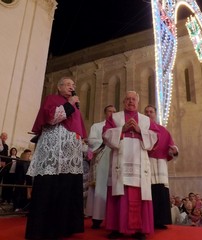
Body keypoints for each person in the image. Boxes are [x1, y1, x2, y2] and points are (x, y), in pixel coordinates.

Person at [25, 76, 87, 240]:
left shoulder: (75, 107)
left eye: (73, 85)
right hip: (53, 151)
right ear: (59, 87)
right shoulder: (52, 99)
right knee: (49, 186)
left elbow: (79, 130)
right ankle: (42, 229)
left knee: (67, 186)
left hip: (69, 155)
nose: (71, 87)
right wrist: (71, 103)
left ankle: (64, 227)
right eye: (67, 84)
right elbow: (52, 118)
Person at [102, 91, 158, 240]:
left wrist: (140, 130)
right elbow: (106, 134)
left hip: (139, 159)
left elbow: (155, 137)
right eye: (127, 99)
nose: (130, 101)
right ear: (123, 101)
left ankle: (139, 229)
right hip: (120, 159)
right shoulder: (114, 117)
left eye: (133, 99)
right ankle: (116, 227)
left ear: (138, 102)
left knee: (139, 194)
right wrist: (122, 129)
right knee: (118, 191)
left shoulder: (146, 120)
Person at [144, 105, 178, 229]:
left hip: (161, 165)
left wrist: (173, 151)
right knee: (149, 191)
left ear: (155, 114)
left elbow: (171, 147)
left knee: (162, 191)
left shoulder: (163, 130)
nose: (148, 114)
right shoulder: (141, 129)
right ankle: (149, 219)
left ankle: (161, 220)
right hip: (147, 162)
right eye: (146, 112)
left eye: (151, 112)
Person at [85, 104, 116, 229]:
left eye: (114, 111)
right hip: (101, 159)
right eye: (110, 111)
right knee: (99, 186)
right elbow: (91, 141)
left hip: (114, 159)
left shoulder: (118, 128)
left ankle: (112, 217)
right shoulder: (97, 126)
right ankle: (96, 217)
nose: (112, 114)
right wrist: (103, 141)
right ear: (105, 113)